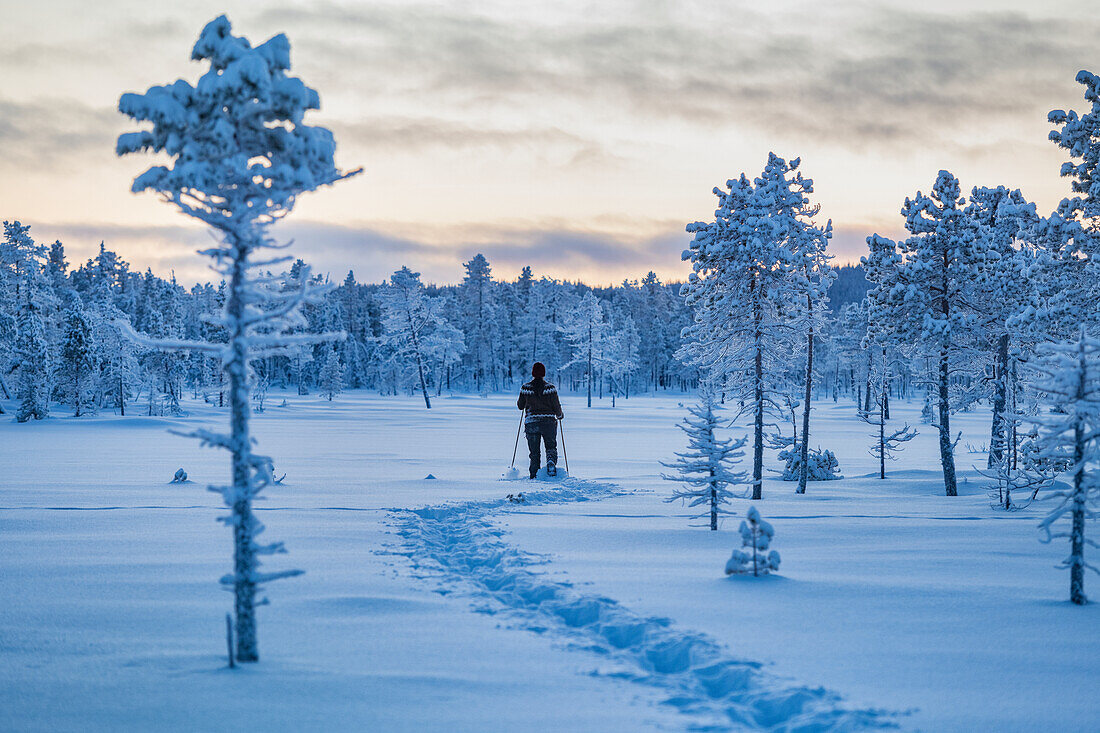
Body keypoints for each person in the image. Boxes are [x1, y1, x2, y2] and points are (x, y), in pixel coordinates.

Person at [517, 362, 564, 479]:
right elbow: (556, 405)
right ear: (544, 373)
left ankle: (534, 474)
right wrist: (560, 415)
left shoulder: (525, 388)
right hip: (548, 423)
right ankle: (551, 463)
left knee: (534, 452)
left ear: (533, 373)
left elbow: (520, 406)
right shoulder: (550, 388)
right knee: (551, 447)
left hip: (531, 422)